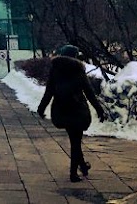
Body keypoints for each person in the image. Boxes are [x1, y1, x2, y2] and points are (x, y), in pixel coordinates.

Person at [37, 44, 107, 183]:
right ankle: (73, 173)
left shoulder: (55, 70)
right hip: (77, 111)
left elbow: (49, 91)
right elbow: (89, 93)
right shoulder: (78, 70)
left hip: (61, 110)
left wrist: (41, 108)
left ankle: (83, 166)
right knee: (76, 143)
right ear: (75, 56)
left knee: (74, 141)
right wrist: (99, 110)